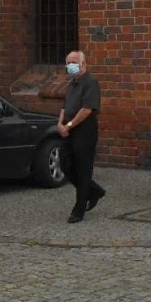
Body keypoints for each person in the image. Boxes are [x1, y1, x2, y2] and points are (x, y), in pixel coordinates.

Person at [59, 50, 105, 223]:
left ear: (83, 64)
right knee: (66, 164)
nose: (71, 65)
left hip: (84, 130)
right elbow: (65, 106)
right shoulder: (72, 84)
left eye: (74, 62)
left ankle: (79, 209)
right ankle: (94, 191)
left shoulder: (90, 82)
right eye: (68, 63)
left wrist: (69, 125)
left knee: (83, 169)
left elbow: (86, 109)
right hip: (69, 130)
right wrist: (60, 123)